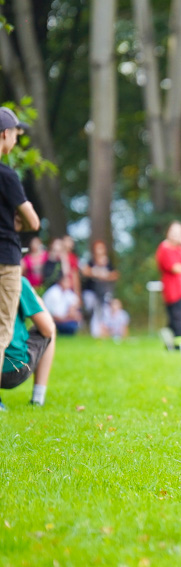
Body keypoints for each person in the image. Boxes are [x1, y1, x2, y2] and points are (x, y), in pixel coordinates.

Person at [0, 106, 40, 404]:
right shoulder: (7, 175)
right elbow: (34, 221)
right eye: (15, 132)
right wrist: (20, 221)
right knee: (2, 327)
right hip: (4, 259)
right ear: (4, 135)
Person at [0, 277, 56, 409]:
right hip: (13, 369)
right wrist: (38, 302)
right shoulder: (16, 281)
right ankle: (38, 398)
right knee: (49, 328)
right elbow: (47, 329)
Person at [155, 221, 181, 347]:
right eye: (173, 232)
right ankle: (178, 346)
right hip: (172, 291)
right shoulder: (164, 248)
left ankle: (169, 344)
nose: (175, 235)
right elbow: (176, 268)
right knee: (178, 319)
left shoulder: (180, 249)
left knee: (176, 319)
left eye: (179, 233)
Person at [80, 239, 119, 336]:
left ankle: (106, 331)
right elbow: (85, 271)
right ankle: (93, 330)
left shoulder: (108, 263)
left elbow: (115, 274)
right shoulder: (91, 262)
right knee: (94, 308)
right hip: (91, 293)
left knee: (106, 310)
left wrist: (106, 274)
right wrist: (97, 272)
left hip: (104, 294)